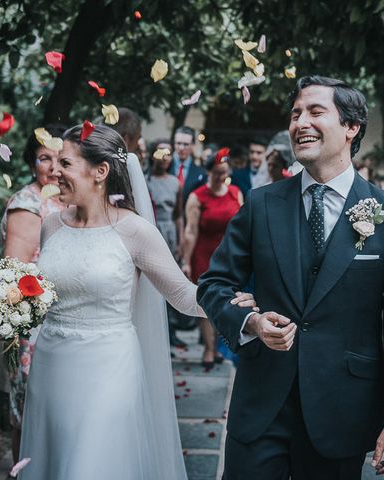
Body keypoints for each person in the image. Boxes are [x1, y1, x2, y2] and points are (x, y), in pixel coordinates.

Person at [197, 76, 384, 479]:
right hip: (261, 409)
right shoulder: (261, 204)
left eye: (315, 112)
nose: (300, 122)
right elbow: (213, 285)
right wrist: (250, 322)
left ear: (351, 127)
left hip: (343, 412)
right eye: (295, 114)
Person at [18, 125, 256, 479]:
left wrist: (235, 309)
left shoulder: (134, 231)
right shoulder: (52, 224)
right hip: (51, 363)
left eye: (65, 163)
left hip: (108, 368)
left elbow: (183, 295)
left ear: (100, 172)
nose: (55, 172)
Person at [0, 124, 66, 467]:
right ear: (31, 162)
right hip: (33, 324)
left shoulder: (67, 199)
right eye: (44, 159)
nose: (53, 167)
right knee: (28, 414)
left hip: (67, 322)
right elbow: (15, 273)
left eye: (60, 159)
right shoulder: (28, 202)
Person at [181, 148, 243, 368]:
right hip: (204, 252)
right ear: (208, 172)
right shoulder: (197, 197)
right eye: (217, 172)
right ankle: (208, 349)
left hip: (229, 253)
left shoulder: (235, 192)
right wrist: (186, 260)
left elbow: (242, 226)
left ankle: (218, 347)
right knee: (206, 304)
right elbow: (190, 230)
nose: (221, 176)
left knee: (228, 301)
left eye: (224, 172)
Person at [146, 139, 188, 347]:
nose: (165, 157)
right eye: (160, 152)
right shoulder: (145, 181)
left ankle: (171, 330)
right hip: (153, 229)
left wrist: (181, 241)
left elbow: (179, 215)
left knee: (171, 280)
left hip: (170, 232)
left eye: (168, 153)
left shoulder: (175, 182)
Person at [171, 126, 206, 207]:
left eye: (186, 144)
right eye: (178, 143)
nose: (181, 148)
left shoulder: (200, 173)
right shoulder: (165, 167)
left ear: (193, 145)